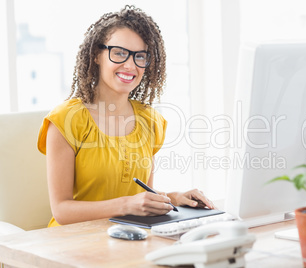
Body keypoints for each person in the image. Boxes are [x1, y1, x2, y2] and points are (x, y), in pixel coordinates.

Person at [37, 5, 214, 227]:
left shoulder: (150, 121)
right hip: (72, 243)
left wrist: (172, 197)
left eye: (140, 56)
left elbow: (138, 193)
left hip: (129, 235)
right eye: (119, 53)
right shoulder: (65, 120)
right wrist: (126, 205)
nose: (130, 65)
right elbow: (62, 210)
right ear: (96, 56)